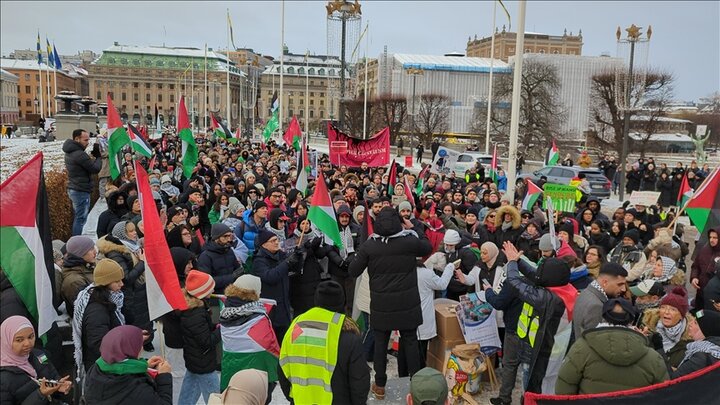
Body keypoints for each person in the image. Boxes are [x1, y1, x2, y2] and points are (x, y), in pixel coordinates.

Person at [348, 207, 432, 399]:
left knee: (380, 342)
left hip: (381, 304)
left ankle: (379, 385)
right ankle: (417, 385)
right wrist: (416, 228)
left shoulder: (370, 246)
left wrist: (359, 254)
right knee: (410, 342)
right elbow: (427, 247)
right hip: (407, 304)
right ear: (398, 222)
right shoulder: (409, 241)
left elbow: (353, 271)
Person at [278, 280, 371, 405]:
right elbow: (359, 381)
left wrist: (293, 398)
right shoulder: (350, 337)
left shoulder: (295, 330)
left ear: (316, 301)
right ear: (342, 304)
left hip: (301, 400)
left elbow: (283, 369)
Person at [503, 243, 578, 395]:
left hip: (540, 352)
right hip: (554, 348)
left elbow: (515, 283)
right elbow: (537, 276)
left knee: (532, 387)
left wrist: (511, 263)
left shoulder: (546, 299)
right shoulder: (567, 289)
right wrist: (518, 261)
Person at [555, 298, 668, 395]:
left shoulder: (581, 348)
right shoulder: (653, 358)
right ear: (632, 320)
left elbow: (564, 388)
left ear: (604, 316)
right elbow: (664, 394)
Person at [219, 274, 280, 396]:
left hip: (231, 369)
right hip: (256, 373)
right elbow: (270, 345)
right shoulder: (259, 317)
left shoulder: (224, 313)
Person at [82, 325, 173, 404]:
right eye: (139, 343)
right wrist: (164, 376)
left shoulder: (95, 369)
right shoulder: (138, 390)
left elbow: (121, 367)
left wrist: (145, 365)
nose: (141, 347)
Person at [72, 259, 128, 374]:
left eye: (121, 280)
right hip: (102, 369)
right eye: (116, 281)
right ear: (105, 283)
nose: (121, 284)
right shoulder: (97, 310)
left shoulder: (108, 300)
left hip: (106, 365)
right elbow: (99, 344)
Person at [0, 316, 72, 404]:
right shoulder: (3, 377)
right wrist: (40, 395)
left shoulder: (40, 355)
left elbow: (52, 373)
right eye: (19, 340)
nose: (27, 343)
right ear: (6, 341)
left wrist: (59, 385)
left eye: (31, 337)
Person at [178, 270, 221, 405]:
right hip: (204, 362)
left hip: (195, 360)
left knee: (189, 393)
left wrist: (214, 326)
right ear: (202, 293)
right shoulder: (196, 314)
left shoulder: (194, 308)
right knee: (215, 398)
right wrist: (220, 330)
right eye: (210, 288)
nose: (213, 289)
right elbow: (206, 341)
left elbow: (200, 331)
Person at [252, 229, 303, 342]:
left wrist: (298, 257)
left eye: (277, 240)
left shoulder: (281, 255)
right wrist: (287, 263)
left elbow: (296, 269)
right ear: (264, 245)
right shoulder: (259, 261)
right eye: (273, 241)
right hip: (271, 308)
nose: (276, 242)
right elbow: (271, 277)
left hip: (285, 303)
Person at [640, 287, 693, 369]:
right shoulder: (647, 328)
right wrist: (640, 339)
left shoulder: (690, 339)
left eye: (673, 309)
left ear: (681, 316)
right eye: (663, 307)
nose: (666, 312)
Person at [572, 263, 628, 339]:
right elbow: (595, 341)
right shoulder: (596, 306)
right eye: (620, 284)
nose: (623, 289)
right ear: (605, 282)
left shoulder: (586, 292)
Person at [63, 129, 103, 235]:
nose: (88, 143)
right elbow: (95, 169)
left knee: (78, 217)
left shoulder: (71, 151)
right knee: (80, 219)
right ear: (77, 139)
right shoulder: (79, 154)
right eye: (85, 140)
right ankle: (77, 245)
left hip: (75, 188)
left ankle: (76, 242)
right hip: (80, 190)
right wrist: (98, 157)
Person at [672, 310, 720, 378]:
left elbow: (674, 380)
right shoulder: (710, 350)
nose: (690, 323)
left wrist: (660, 350)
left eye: (695, 323)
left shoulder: (701, 355)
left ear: (706, 330)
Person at [198, 223, 244, 293]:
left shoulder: (229, 251)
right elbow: (206, 281)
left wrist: (240, 271)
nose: (229, 239)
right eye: (225, 236)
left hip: (232, 291)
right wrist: (232, 277)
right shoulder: (205, 256)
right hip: (216, 295)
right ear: (216, 238)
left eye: (230, 236)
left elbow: (237, 269)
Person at [60, 235, 98, 317]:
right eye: (91, 249)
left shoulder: (88, 267)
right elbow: (88, 308)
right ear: (80, 253)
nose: (95, 252)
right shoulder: (74, 281)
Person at [691, 227, 720, 310]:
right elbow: (695, 266)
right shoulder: (704, 250)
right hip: (700, 294)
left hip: (715, 299)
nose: (711, 240)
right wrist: (694, 277)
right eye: (710, 237)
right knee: (699, 316)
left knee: (710, 320)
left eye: (715, 238)